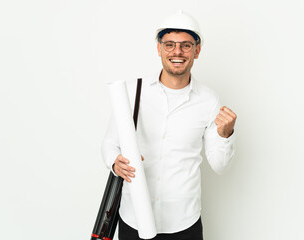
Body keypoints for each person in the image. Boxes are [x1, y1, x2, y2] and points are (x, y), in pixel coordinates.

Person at [101, 10, 237, 240]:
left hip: (183, 223)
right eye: (169, 44)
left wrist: (226, 134)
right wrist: (115, 163)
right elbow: (109, 144)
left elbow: (220, 166)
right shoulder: (134, 91)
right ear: (159, 48)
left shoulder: (209, 100)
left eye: (185, 45)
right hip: (133, 218)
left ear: (197, 51)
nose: (177, 52)